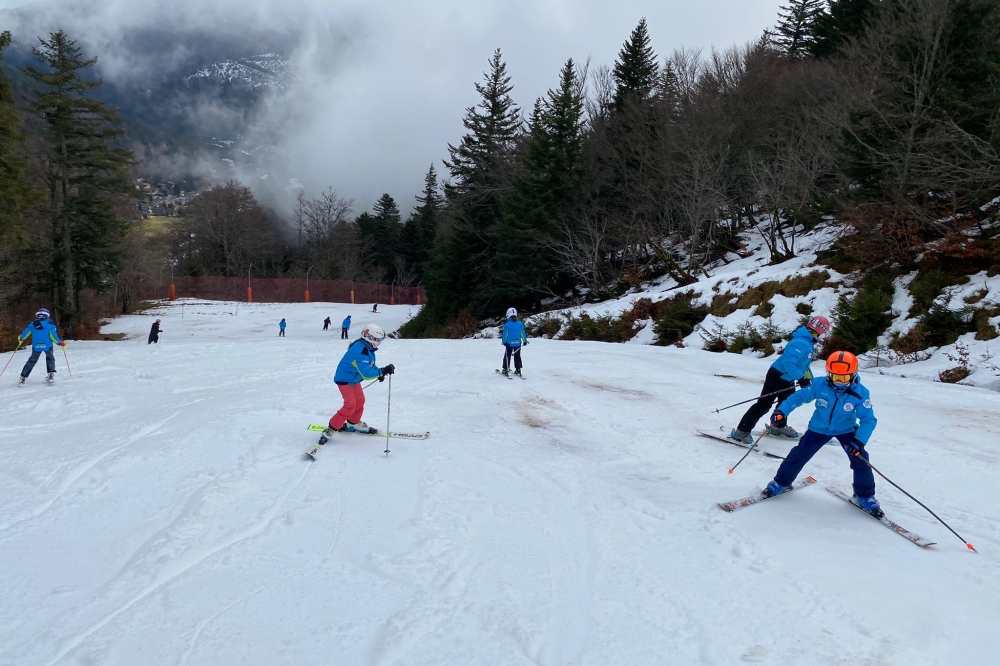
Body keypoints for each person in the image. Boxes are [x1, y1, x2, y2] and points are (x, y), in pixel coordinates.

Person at [761, 350, 882, 518]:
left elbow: (868, 420)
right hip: (819, 428)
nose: (839, 382)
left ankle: (864, 495)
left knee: (860, 459)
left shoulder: (860, 392)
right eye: (835, 377)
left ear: (853, 375)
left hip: (846, 429)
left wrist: (859, 441)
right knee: (798, 455)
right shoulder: (820, 385)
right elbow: (797, 398)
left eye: (844, 378)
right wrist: (781, 411)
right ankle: (781, 483)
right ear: (828, 374)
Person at [729, 315, 830, 444]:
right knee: (764, 405)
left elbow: (803, 365)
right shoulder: (800, 342)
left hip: (788, 377)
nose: (824, 336)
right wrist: (801, 378)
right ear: (818, 330)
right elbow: (789, 363)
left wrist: (810, 379)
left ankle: (778, 426)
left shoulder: (808, 342)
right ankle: (742, 431)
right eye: (824, 333)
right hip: (777, 375)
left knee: (786, 403)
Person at [316, 323, 395, 446]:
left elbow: (370, 365)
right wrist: (382, 371)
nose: (379, 342)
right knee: (350, 405)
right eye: (378, 340)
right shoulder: (360, 351)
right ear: (370, 338)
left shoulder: (367, 348)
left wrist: (379, 372)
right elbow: (367, 374)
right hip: (345, 380)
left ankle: (353, 423)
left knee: (360, 401)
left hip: (353, 380)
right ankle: (331, 428)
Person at [17, 308, 65, 385]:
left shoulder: (32, 325)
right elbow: (53, 336)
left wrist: (21, 339)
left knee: (32, 361)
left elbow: (25, 333)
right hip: (48, 346)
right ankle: (51, 375)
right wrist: (60, 342)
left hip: (36, 346)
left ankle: (23, 377)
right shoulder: (50, 326)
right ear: (47, 316)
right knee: (50, 358)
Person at [500, 307, 528, 377]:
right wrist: (524, 341)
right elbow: (522, 333)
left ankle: (505, 369)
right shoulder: (520, 324)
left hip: (509, 344)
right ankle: (518, 369)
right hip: (518, 343)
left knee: (507, 355)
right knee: (517, 356)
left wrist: (504, 342)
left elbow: (505, 334)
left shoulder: (507, 325)